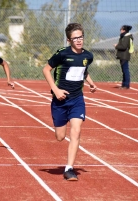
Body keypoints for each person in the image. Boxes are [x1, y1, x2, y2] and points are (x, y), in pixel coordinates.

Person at [42, 23, 97, 181]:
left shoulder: (88, 56)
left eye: (81, 37)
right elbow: (46, 70)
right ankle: (60, 128)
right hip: (60, 100)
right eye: (75, 38)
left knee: (76, 130)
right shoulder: (62, 54)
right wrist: (56, 90)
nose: (79, 40)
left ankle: (69, 168)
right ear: (69, 40)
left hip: (77, 99)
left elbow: (83, 70)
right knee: (60, 136)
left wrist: (91, 83)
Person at [114, 25, 133, 89]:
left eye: (121, 29)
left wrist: (116, 46)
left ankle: (126, 85)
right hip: (122, 55)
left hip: (124, 55)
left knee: (125, 70)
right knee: (124, 70)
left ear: (124, 30)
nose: (120, 30)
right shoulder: (124, 36)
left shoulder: (126, 37)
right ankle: (124, 84)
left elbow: (124, 46)